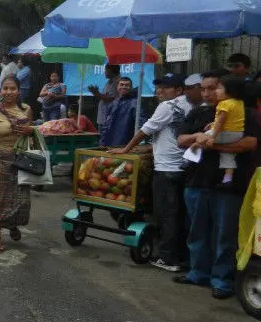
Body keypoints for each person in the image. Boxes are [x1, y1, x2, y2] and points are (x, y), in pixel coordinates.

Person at [174, 68, 258, 300]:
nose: (208, 93)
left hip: (229, 186)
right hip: (197, 181)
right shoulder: (197, 113)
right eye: (204, 89)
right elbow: (181, 139)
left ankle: (221, 280)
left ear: (226, 88)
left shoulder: (244, 112)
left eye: (214, 88)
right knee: (196, 231)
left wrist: (211, 144)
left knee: (224, 235)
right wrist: (197, 138)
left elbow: (250, 143)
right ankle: (197, 272)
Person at [110, 73, 193, 272]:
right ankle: (182, 255)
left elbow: (145, 130)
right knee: (180, 214)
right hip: (184, 168)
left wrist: (126, 149)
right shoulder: (191, 104)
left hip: (166, 169)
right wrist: (150, 148)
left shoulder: (167, 106)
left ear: (179, 90)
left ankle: (168, 258)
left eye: (166, 87)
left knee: (166, 215)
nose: (160, 91)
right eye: (158, 87)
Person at [0, 76, 34, 252]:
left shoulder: (27, 110)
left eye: (12, 89)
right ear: (0, 90)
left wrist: (30, 130)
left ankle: (12, 224)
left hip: (21, 162)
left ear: (19, 91)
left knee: (22, 200)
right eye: (5, 88)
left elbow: (31, 134)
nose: (9, 92)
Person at [189, 76, 246, 186]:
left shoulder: (224, 104)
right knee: (228, 154)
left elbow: (220, 122)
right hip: (237, 134)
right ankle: (228, 177)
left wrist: (212, 137)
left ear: (230, 91)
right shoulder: (239, 103)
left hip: (224, 133)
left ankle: (189, 156)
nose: (216, 91)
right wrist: (212, 124)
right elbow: (230, 119)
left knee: (201, 138)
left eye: (219, 89)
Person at [100, 77, 143, 147]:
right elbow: (105, 125)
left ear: (131, 88)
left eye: (127, 85)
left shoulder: (135, 104)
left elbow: (141, 125)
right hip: (108, 145)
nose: (124, 87)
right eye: (122, 85)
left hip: (126, 146)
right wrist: (102, 142)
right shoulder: (112, 104)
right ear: (117, 87)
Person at [88, 65, 121, 132]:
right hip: (103, 115)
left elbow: (110, 98)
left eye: (106, 70)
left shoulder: (117, 82)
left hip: (109, 116)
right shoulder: (110, 81)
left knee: (105, 138)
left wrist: (97, 93)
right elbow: (105, 95)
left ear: (111, 70)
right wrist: (96, 93)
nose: (104, 72)